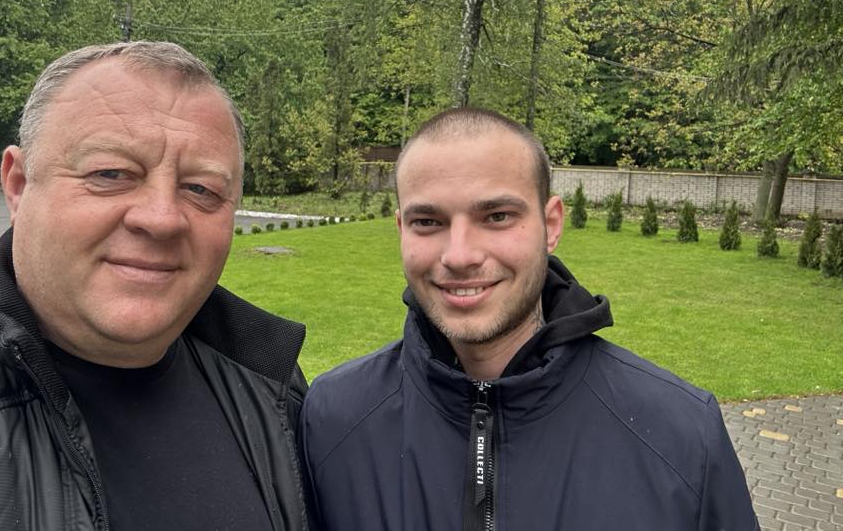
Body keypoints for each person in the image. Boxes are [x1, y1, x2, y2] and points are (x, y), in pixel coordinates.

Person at [299, 107, 759, 531]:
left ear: (551, 225)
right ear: (402, 230)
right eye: (428, 222)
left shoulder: (682, 436)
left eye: (497, 216)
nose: (459, 255)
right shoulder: (332, 420)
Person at [0, 41, 308, 531]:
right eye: (110, 173)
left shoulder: (272, 384)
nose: (161, 219)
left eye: (200, 189)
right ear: (18, 185)